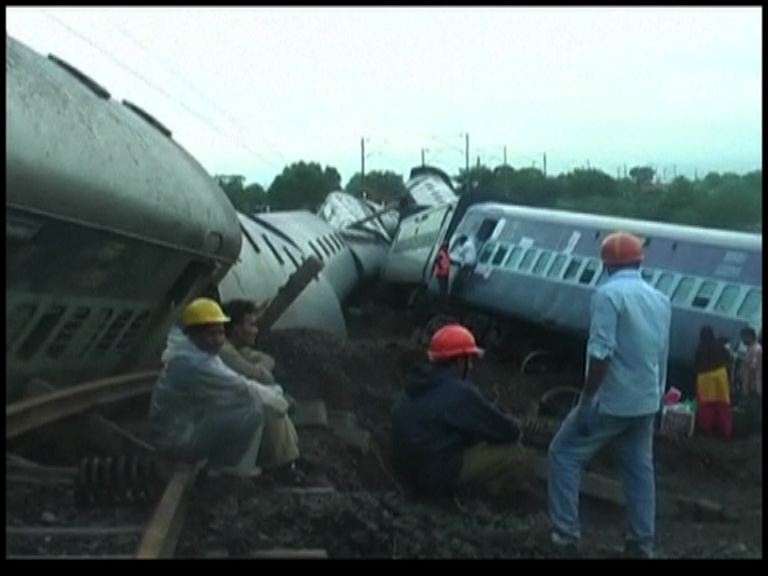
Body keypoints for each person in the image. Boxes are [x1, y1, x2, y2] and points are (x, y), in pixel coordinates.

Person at [547, 232, 671, 559]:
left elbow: (602, 353)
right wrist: (657, 401)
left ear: (607, 265)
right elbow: (662, 355)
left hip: (612, 401)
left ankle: (565, 533)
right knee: (639, 470)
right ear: (639, 262)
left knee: (563, 453)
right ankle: (642, 543)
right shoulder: (660, 299)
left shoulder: (607, 295)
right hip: (645, 401)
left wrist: (586, 400)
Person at [149, 298, 290, 477]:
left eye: (221, 333)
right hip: (175, 439)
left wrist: (275, 395)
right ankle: (229, 472)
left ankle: (226, 469)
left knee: (248, 403)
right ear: (193, 334)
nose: (218, 340)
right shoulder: (192, 363)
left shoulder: (196, 353)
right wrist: (279, 399)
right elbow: (240, 386)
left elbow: (233, 385)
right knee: (251, 408)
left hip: (187, 427)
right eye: (211, 334)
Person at [391, 323, 528, 498]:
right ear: (458, 361)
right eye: (468, 360)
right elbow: (508, 432)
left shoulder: (416, 384)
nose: (470, 367)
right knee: (516, 453)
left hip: (407, 471)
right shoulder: (459, 392)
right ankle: (488, 500)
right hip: (436, 476)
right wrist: (513, 423)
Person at [220, 299, 300, 470]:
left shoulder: (237, 350)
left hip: (225, 409)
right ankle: (284, 465)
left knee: (273, 398)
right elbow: (261, 376)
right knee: (272, 403)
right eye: (252, 325)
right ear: (236, 329)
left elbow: (267, 361)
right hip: (214, 415)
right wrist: (262, 373)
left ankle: (288, 463)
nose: (256, 331)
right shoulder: (224, 351)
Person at [694, 326, 733, 438]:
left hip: (705, 378)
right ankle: (725, 431)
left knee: (706, 405)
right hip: (720, 376)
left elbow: (696, 366)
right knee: (722, 404)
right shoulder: (719, 345)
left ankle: (707, 429)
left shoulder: (700, 348)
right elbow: (728, 360)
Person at [740, 326, 762, 431]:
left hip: (754, 384)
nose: (743, 341)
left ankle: (755, 429)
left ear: (749, 337)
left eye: (744, 338)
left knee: (754, 407)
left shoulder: (756, 349)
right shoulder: (752, 348)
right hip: (751, 384)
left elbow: (753, 368)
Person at [432, 242, 451, 307]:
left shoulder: (446, 253)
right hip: (441, 273)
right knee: (442, 289)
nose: (446, 248)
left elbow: (449, 260)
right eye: (445, 246)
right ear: (442, 247)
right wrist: (441, 267)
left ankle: (443, 302)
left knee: (445, 289)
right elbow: (437, 260)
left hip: (445, 273)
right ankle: (440, 303)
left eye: (447, 246)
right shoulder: (441, 253)